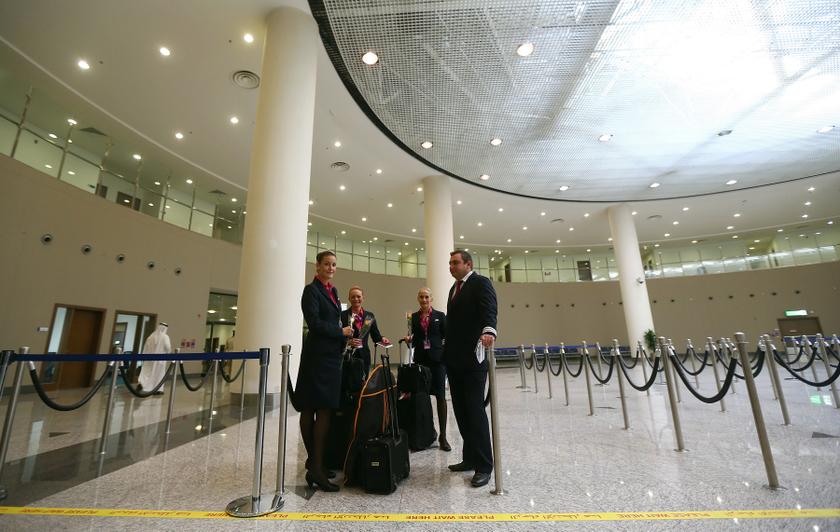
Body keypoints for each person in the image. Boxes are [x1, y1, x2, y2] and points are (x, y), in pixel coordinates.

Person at [295, 250, 353, 492]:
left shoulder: (333, 291)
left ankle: (315, 464)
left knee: (322, 409)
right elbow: (315, 324)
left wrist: (342, 336)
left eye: (334, 265)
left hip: (329, 357)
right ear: (317, 266)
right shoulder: (311, 291)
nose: (331, 268)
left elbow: (332, 321)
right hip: (317, 358)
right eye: (327, 264)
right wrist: (341, 333)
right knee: (316, 408)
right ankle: (316, 468)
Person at [444, 250, 497, 488]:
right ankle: (469, 458)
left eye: (455, 263)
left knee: (475, 411)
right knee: (461, 412)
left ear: (468, 264)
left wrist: (489, 330)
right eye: (450, 263)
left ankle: (484, 465)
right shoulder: (453, 290)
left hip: (473, 360)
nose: (451, 266)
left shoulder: (480, 283)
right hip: (454, 360)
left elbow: (489, 310)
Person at [404, 287, 450, 451]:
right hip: (421, 363)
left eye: (426, 297)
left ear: (431, 299)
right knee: (422, 398)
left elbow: (447, 337)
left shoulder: (440, 316)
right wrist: (409, 339)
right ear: (418, 298)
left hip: (438, 362)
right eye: (421, 297)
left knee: (440, 397)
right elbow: (412, 337)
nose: (424, 300)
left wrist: (445, 355)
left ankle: (443, 437)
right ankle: (426, 434)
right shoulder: (412, 317)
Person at [340, 286, 390, 373]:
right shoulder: (342, 315)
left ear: (363, 298)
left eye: (358, 296)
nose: (356, 299)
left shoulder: (369, 316)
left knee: (363, 384)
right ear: (349, 299)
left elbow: (376, 337)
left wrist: (382, 338)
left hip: (364, 357)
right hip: (346, 356)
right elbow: (336, 335)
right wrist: (347, 342)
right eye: (353, 297)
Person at [137, 322, 171, 395]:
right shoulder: (165, 337)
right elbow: (168, 348)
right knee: (158, 374)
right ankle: (157, 389)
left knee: (147, 373)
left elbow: (145, 348)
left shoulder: (150, 337)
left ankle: (142, 385)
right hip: (160, 361)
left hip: (148, 359)